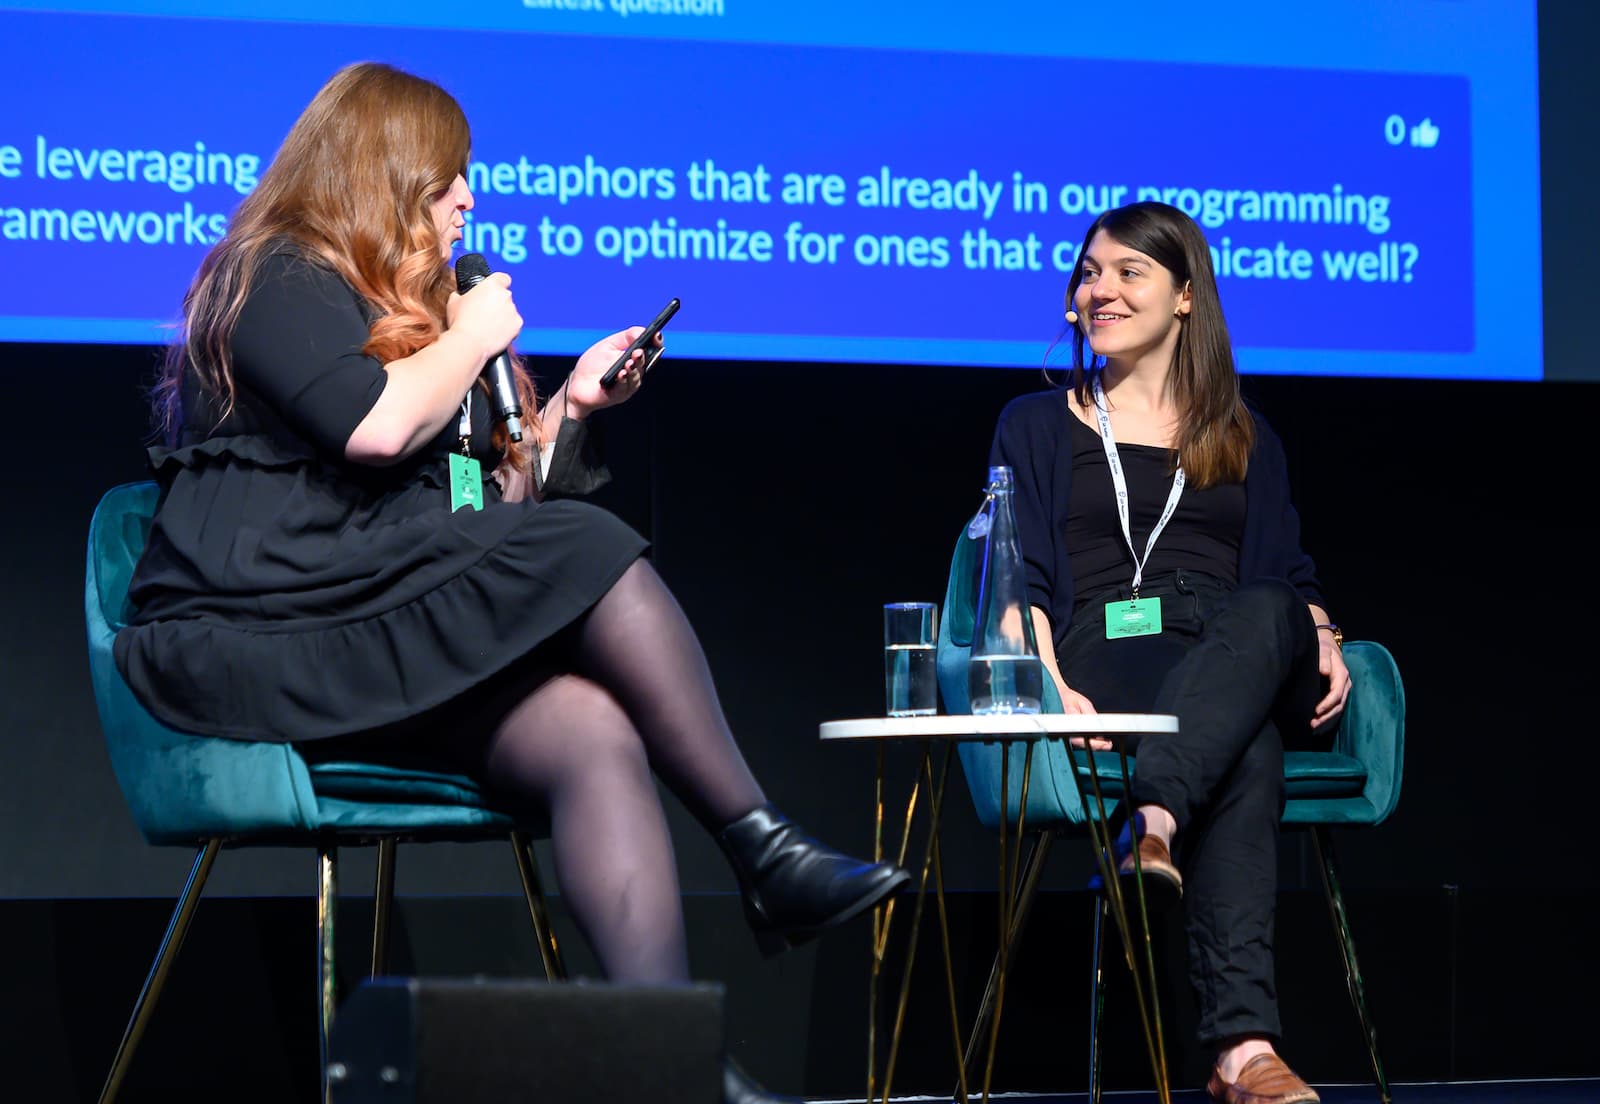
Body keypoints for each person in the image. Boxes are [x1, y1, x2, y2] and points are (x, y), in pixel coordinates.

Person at [113, 61, 906, 1104]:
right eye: (448, 182)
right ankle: (761, 848)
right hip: (262, 626)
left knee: (590, 730)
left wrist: (569, 410)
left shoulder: (423, 315)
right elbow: (372, 426)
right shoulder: (273, 272)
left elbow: (486, 528)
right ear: (384, 175)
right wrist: (476, 336)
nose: (467, 203)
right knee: (587, 545)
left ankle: (672, 1062)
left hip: (369, 618)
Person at [987, 202, 1350, 1104]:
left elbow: (1291, 576)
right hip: (1111, 653)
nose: (1097, 289)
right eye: (1087, 274)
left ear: (1185, 296)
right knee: (1244, 745)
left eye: (1126, 272)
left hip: (1238, 637)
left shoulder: (1246, 435)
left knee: (1269, 612)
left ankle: (1149, 821)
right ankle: (1244, 1053)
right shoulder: (1036, 425)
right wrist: (1048, 681)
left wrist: (1325, 633)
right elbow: (1015, 585)